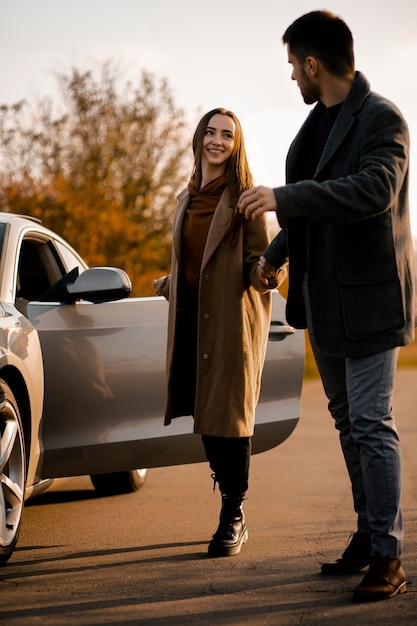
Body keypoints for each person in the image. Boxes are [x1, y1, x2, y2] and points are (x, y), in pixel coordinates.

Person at [238, 10, 416, 602]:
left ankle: (390, 556)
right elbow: (311, 214)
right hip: (323, 302)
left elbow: (373, 190)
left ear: (312, 63)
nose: (291, 77)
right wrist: (275, 257)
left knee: (371, 422)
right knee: (348, 425)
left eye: (293, 65)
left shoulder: (382, 118)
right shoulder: (313, 127)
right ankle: (368, 536)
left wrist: (282, 197)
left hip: (370, 302)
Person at [154, 108, 285, 557]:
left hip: (231, 323)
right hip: (191, 321)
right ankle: (230, 498)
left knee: (230, 420)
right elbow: (194, 261)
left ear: (236, 145)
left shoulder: (245, 199)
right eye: (210, 132)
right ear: (198, 139)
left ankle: (234, 514)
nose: (216, 140)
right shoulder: (184, 199)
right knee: (205, 416)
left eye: (226, 135)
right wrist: (167, 284)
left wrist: (269, 272)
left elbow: (254, 264)